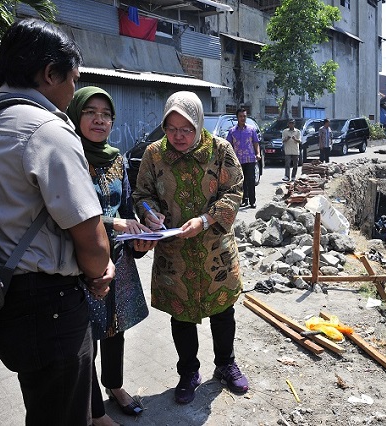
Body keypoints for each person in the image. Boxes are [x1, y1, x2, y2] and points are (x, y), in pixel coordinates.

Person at [0, 19, 114, 426]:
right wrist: (99, 275)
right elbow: (89, 236)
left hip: (5, 296)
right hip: (50, 303)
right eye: (72, 80)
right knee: (64, 413)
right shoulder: (47, 131)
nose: (72, 91)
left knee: (44, 404)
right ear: (49, 74)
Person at [133, 91, 249, 405]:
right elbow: (142, 193)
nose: (179, 136)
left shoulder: (220, 150)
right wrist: (149, 213)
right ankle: (188, 372)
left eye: (186, 129)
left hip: (215, 253)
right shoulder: (154, 155)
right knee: (181, 316)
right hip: (174, 253)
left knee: (223, 310)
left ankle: (225, 364)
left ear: (198, 124)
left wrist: (206, 219)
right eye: (171, 129)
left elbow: (235, 190)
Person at [67, 87, 156, 426]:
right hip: (81, 263)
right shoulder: (70, 156)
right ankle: (94, 411)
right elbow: (65, 214)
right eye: (91, 112)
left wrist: (143, 231)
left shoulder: (116, 158)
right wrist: (112, 223)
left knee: (114, 328)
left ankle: (115, 386)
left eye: (106, 114)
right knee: (85, 336)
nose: (100, 119)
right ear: (76, 115)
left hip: (117, 259)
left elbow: (128, 206)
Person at [227, 107, 261, 208]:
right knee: (241, 182)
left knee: (250, 180)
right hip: (238, 160)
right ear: (237, 117)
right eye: (241, 116)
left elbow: (256, 142)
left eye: (244, 116)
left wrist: (258, 153)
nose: (243, 118)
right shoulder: (232, 131)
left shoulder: (251, 129)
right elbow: (228, 145)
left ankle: (252, 201)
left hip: (250, 159)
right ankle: (243, 200)